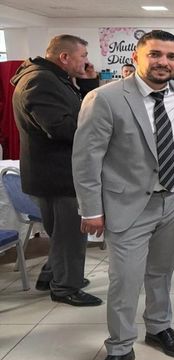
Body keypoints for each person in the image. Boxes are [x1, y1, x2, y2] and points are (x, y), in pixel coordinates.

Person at [72, 30, 174, 360]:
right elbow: (86, 159)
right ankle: (120, 347)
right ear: (137, 57)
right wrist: (90, 210)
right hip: (127, 204)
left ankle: (158, 327)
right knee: (125, 279)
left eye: (171, 56)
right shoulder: (104, 98)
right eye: (155, 54)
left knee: (161, 271)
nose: (163, 62)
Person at [11, 34, 102, 307]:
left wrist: (88, 83)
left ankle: (51, 276)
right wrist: (102, 131)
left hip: (54, 173)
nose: (86, 61)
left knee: (63, 234)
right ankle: (65, 288)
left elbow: (77, 108)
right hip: (57, 175)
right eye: (83, 56)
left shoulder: (52, 78)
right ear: (64, 57)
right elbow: (62, 128)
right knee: (70, 235)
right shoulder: (40, 81)